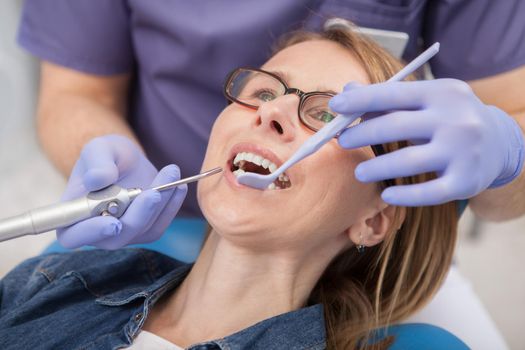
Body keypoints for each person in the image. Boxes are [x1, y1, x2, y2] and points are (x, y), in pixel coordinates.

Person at [16, 1, 523, 347]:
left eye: (327, 115)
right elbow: (74, 92)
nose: (272, 111)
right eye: (262, 91)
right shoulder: (45, 289)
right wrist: (107, 157)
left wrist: (510, 152)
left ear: (374, 217)